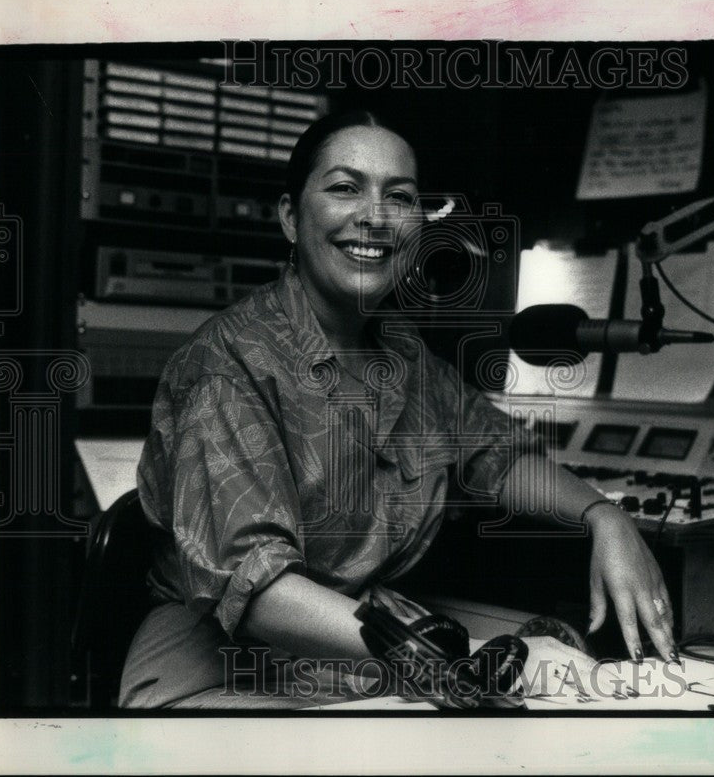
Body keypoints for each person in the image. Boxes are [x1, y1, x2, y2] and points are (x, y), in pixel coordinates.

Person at [119, 109, 676, 708]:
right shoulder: (227, 364)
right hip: (223, 671)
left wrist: (605, 517)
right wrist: (463, 660)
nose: (376, 217)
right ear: (289, 215)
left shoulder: (402, 351)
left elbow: (495, 452)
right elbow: (259, 595)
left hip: (365, 652)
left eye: (400, 197)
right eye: (344, 187)